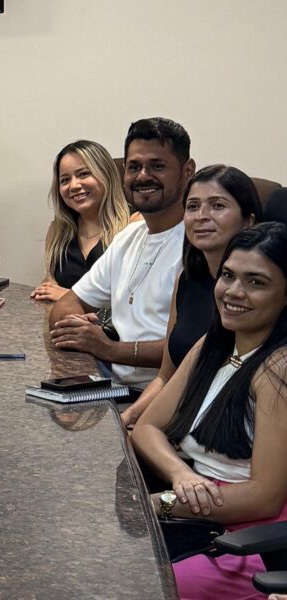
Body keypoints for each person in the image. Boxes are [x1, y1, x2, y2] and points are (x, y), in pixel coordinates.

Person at [131, 223, 287, 599]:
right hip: (205, 514)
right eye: (229, 275)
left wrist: (166, 503)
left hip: (255, 540)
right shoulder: (213, 345)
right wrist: (181, 475)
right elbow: (147, 428)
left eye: (256, 282)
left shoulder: (279, 369)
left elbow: (264, 498)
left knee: (135, 583)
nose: (233, 292)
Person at [49, 117, 195, 389]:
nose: (143, 176)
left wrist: (108, 348)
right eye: (134, 167)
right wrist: (78, 328)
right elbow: (66, 304)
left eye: (157, 166)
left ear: (187, 171)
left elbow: (194, 347)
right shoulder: (129, 237)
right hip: (114, 385)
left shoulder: (199, 243)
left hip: (170, 395)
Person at [122, 166, 261, 426]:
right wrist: (128, 418)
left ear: (248, 220)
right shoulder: (186, 281)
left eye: (217, 206)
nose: (201, 216)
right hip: (172, 420)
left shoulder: (259, 294)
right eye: (193, 206)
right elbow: (166, 378)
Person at [31, 140, 131, 302]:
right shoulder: (58, 231)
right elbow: (49, 285)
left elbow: (136, 299)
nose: (74, 186)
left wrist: (71, 297)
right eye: (65, 180)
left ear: (106, 174)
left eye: (83, 174)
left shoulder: (134, 226)